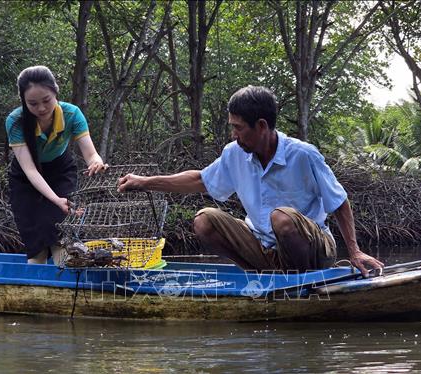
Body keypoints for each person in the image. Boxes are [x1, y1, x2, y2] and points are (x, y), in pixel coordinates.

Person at [117, 85, 384, 275]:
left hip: (314, 250)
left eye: (238, 128)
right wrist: (145, 181)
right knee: (204, 221)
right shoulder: (234, 153)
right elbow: (200, 180)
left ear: (262, 126)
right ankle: (256, 274)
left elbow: (339, 202)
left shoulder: (304, 155)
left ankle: (302, 283)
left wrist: (355, 252)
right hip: (264, 248)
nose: (234, 134)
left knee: (282, 218)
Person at [6, 65, 106, 265]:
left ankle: (66, 282)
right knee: (36, 241)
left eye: (46, 100)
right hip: (26, 178)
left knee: (61, 233)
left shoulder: (72, 114)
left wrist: (97, 162)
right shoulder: (15, 121)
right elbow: (30, 170)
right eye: (32, 103)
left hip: (60, 170)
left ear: (55, 92)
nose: (41, 108)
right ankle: (37, 283)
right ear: (24, 101)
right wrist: (55, 199)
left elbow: (91, 154)